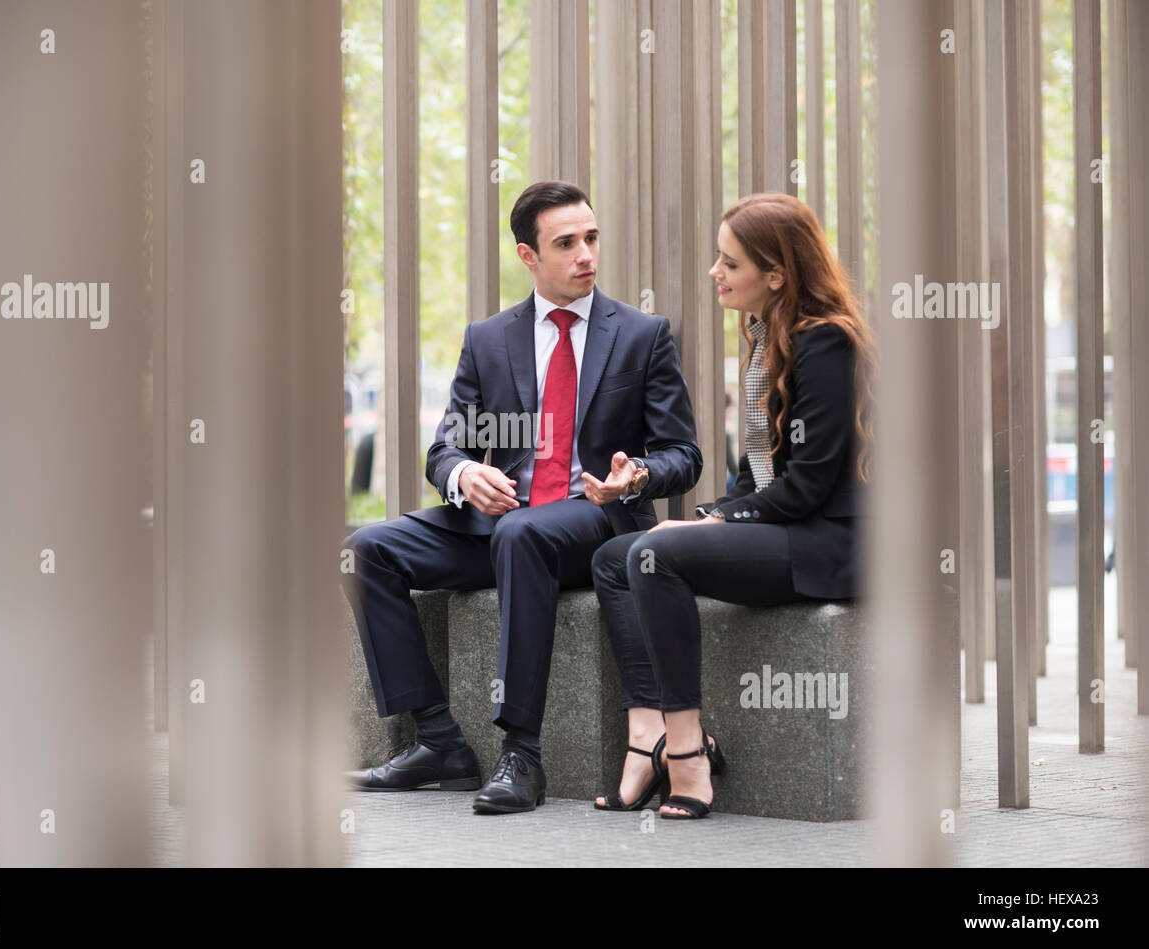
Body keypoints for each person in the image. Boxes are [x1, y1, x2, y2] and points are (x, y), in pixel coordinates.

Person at [341, 181, 702, 813]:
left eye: (591, 238)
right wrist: (462, 476)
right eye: (566, 243)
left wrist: (636, 475)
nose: (586, 254)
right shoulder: (489, 339)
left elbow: (683, 454)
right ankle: (438, 740)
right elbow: (446, 446)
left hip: (595, 522)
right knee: (366, 549)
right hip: (502, 527)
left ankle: (523, 754)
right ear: (527, 256)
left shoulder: (642, 336)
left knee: (522, 534)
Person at [590, 192, 876, 820]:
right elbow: (756, 474)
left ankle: (688, 754)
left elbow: (807, 485)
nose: (715, 273)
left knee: (655, 552)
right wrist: (716, 511)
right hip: (785, 528)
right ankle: (647, 739)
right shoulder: (762, 338)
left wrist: (714, 520)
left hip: (827, 543)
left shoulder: (825, 343)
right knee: (615, 558)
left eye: (730, 263)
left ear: (776, 275)